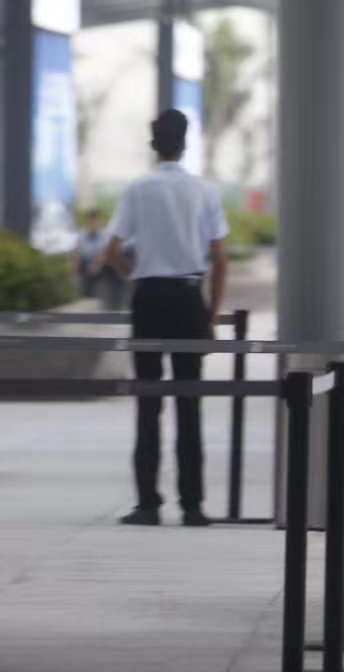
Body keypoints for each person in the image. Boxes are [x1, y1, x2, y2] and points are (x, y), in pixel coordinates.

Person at [103, 110, 229, 527]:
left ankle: (148, 504)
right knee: (189, 404)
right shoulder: (205, 191)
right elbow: (220, 258)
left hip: (150, 299)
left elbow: (112, 250)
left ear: (153, 143)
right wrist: (210, 313)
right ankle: (192, 506)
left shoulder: (138, 189)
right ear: (185, 142)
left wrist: (133, 275)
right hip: (189, 298)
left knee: (148, 403)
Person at [74, 208, 125, 310]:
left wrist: (96, 264)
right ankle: (86, 299)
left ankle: (112, 303)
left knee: (110, 267)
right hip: (85, 265)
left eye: (95, 221)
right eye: (91, 221)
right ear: (88, 222)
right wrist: (75, 264)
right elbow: (76, 252)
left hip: (100, 265)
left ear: (98, 222)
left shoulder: (104, 235)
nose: (93, 224)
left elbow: (105, 253)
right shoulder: (82, 235)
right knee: (83, 267)